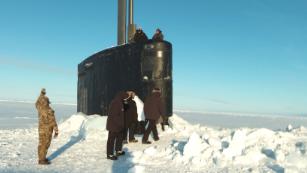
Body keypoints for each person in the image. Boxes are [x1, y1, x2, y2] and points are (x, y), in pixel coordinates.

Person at [35, 88, 58, 165]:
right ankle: (42, 160)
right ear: (47, 102)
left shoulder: (40, 108)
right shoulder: (49, 110)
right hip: (47, 130)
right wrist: (56, 130)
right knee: (46, 144)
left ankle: (41, 158)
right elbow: (53, 121)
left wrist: (42, 94)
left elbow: (37, 103)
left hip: (41, 129)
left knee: (41, 143)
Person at [106, 91, 130, 160]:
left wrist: (125, 103)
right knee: (111, 140)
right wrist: (119, 123)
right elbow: (114, 115)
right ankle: (109, 154)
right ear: (123, 96)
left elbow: (123, 110)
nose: (126, 99)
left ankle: (118, 150)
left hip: (118, 125)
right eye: (126, 97)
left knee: (120, 137)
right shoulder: (116, 103)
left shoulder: (120, 101)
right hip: (113, 125)